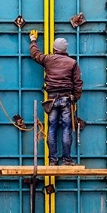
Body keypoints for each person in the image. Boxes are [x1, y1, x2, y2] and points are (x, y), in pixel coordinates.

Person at [29, 33, 83, 165]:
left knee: (52, 128)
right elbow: (78, 83)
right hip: (66, 98)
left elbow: (35, 54)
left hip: (51, 99)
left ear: (54, 49)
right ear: (65, 50)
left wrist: (33, 40)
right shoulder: (72, 63)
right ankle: (66, 159)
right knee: (66, 128)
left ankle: (53, 160)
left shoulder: (48, 59)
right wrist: (75, 98)